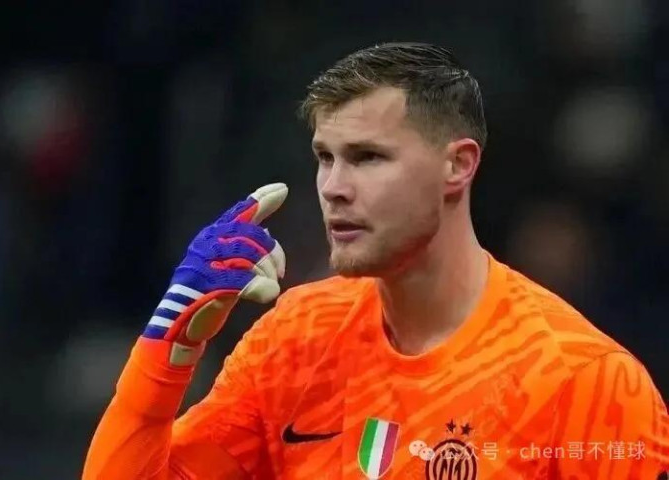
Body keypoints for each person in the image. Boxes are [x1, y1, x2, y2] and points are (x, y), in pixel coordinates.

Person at [83, 43, 668, 479]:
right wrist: (169, 353)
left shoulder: (587, 381)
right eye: (325, 157)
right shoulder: (295, 340)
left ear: (458, 165)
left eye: (367, 158)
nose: (333, 188)